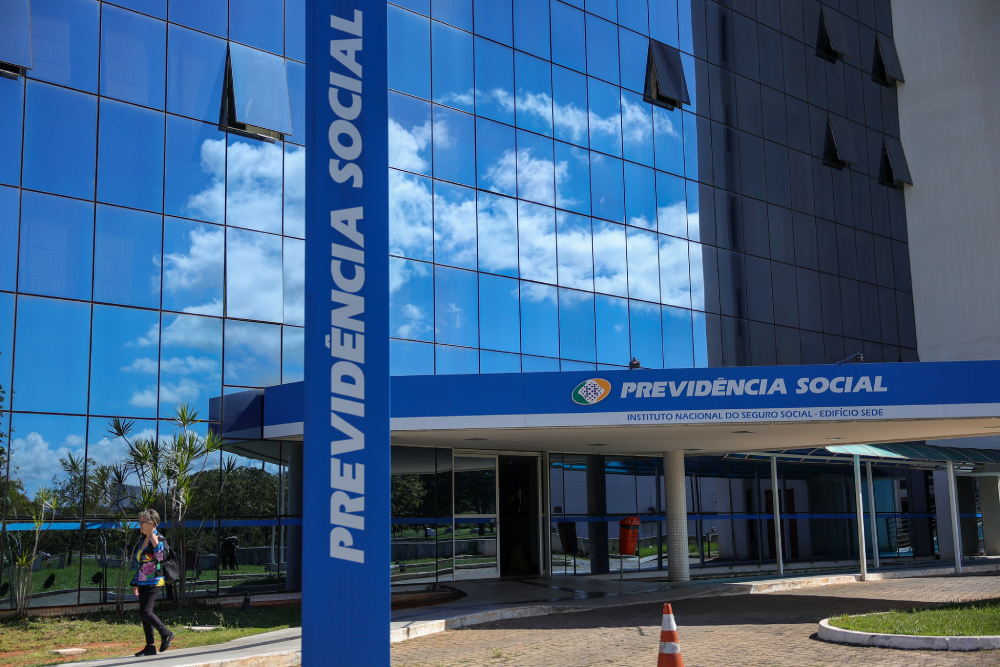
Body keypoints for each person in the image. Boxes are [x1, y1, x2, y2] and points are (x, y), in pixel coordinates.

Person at [131, 509, 175, 657]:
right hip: (143, 580)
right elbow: (141, 562)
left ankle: (166, 633)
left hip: (155, 580)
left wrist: (153, 537)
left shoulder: (159, 539)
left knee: (145, 611)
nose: (140, 525)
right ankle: (150, 646)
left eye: (142, 522)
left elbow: (161, 557)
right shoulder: (142, 539)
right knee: (144, 613)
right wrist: (136, 583)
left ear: (151, 523)